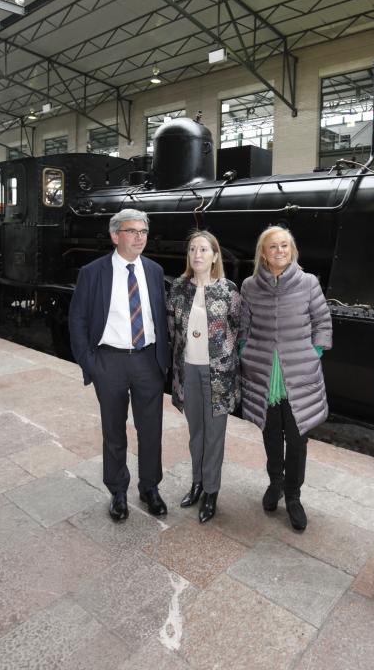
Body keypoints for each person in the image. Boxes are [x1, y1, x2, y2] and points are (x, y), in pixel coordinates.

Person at [69, 208, 169, 522]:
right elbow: (78, 319)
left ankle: (150, 487)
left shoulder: (154, 270)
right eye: (131, 231)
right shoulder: (93, 272)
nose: (139, 237)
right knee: (114, 432)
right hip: (109, 361)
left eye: (143, 231)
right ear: (115, 235)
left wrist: (162, 361)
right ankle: (118, 492)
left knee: (151, 430)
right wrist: (90, 362)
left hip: (147, 361)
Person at [239, 225, 332, 532]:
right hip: (265, 375)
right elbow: (245, 328)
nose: (279, 251)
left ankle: (293, 496)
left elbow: (322, 321)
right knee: (270, 434)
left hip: (298, 376)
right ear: (263, 254)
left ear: (292, 250)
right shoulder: (250, 286)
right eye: (273, 247)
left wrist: (313, 353)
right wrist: (245, 352)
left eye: (284, 246)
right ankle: (275, 484)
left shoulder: (308, 283)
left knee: (297, 439)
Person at [167, 230, 240, 523]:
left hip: (218, 376)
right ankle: (196, 483)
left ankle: (211, 491)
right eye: (193, 250)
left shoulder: (228, 290)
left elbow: (239, 330)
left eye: (204, 250)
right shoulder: (178, 288)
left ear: (215, 256)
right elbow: (172, 329)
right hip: (188, 371)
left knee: (215, 436)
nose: (197, 255)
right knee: (196, 433)